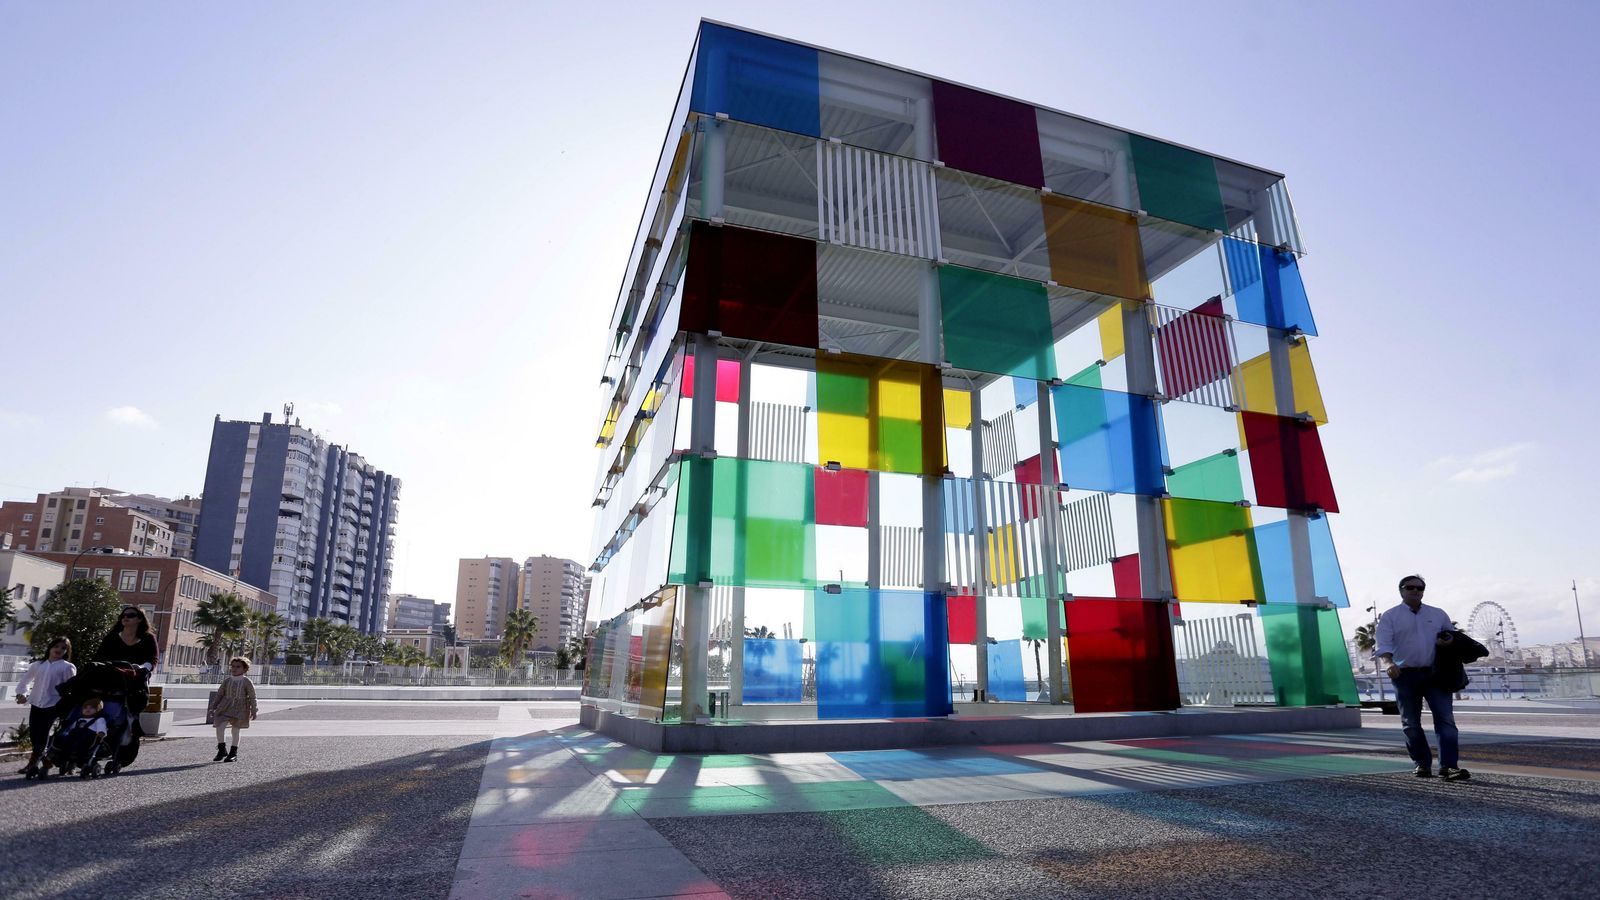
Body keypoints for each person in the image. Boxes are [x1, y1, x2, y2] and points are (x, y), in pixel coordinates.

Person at [1375, 574, 1469, 781]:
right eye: (1410, 587)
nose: (1416, 591)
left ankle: (1449, 766)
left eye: (1420, 588)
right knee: (1410, 722)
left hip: (1436, 674)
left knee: (1446, 720)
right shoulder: (1390, 616)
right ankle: (1421, 764)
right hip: (1404, 675)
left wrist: (1448, 642)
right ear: (1401, 590)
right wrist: (1389, 663)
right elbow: (1383, 645)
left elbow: (1451, 637)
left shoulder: (1437, 614)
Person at [13, 637, 76, 777]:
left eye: (63, 648)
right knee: (34, 734)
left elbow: (71, 687)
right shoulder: (37, 665)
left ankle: (32, 764)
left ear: (66, 651)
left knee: (43, 733)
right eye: (56, 646)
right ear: (50, 647)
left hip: (53, 705)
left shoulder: (67, 667)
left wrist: (66, 704)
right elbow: (24, 682)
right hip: (36, 703)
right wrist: (21, 695)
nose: (59, 650)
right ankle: (46, 760)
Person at [207, 656, 258, 762]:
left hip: (241, 708)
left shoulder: (246, 682)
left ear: (245, 669)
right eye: (233, 666)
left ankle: (233, 753)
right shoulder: (227, 681)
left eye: (238, 667)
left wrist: (254, 709)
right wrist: (213, 707)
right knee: (220, 726)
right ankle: (222, 750)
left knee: (235, 730)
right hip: (225, 707)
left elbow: (252, 696)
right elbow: (219, 695)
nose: (234, 669)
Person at [95, 606, 160, 668]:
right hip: (112, 676)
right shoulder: (112, 637)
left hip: (136, 677)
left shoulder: (148, 638)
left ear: (140, 619)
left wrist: (142, 668)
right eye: (123, 616)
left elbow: (153, 660)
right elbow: (99, 657)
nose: (126, 617)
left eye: (131, 615)